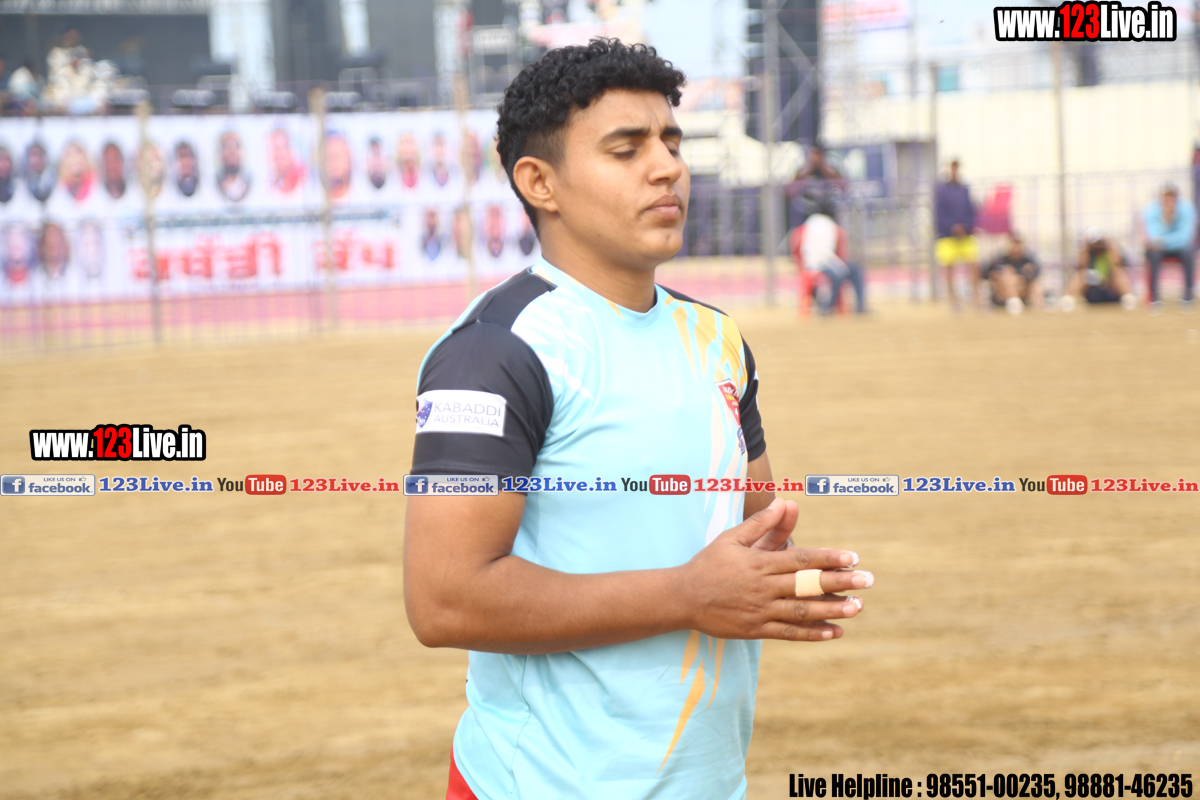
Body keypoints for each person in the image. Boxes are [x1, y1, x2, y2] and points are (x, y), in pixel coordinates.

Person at [405, 38, 872, 800]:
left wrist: (782, 574)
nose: (667, 168)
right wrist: (688, 594)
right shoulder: (496, 351)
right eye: (627, 150)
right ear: (539, 182)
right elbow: (444, 599)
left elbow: (746, 527)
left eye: (672, 143)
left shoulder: (717, 338)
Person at [798, 201, 866, 314]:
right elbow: (829, 252)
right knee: (845, 273)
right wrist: (839, 264)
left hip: (808, 263)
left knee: (840, 273)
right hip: (822, 262)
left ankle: (827, 306)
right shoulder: (830, 225)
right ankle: (831, 306)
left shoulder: (809, 223)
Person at [934, 159, 979, 310]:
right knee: (949, 268)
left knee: (973, 265)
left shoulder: (964, 189)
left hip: (966, 235)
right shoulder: (941, 191)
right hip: (947, 236)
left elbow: (971, 210)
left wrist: (965, 226)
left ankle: (976, 298)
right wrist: (952, 227)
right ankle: (953, 300)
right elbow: (939, 213)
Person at [1143, 183, 1195, 311]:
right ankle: (1154, 297)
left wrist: (1164, 242)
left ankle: (1188, 295)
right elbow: (1153, 237)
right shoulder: (1151, 209)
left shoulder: (1187, 208)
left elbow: (1185, 238)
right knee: (1152, 254)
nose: (1168, 200)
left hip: (1177, 248)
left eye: (1171, 196)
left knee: (1188, 252)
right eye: (1165, 196)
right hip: (1159, 249)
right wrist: (1166, 218)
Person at [1061, 228, 1136, 312]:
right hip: (1093, 291)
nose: (1097, 246)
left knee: (1117, 273)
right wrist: (1084, 248)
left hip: (1110, 289)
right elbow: (1082, 265)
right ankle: (1068, 300)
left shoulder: (1109, 253)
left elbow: (1116, 263)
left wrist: (1110, 246)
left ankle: (1128, 298)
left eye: (1099, 243)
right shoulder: (1088, 254)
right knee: (1081, 274)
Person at [981, 232, 1044, 313]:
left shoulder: (1028, 261)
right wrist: (998, 275)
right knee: (1009, 278)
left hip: (1023, 292)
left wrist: (1021, 277)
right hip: (1002, 294)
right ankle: (1015, 304)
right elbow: (985, 274)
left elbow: (1036, 275)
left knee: (1035, 285)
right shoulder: (999, 261)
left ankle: (1039, 306)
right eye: (1013, 243)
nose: (1016, 247)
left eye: (1018, 243)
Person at [785, 143, 845, 226]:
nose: (815, 157)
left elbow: (843, 187)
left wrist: (823, 169)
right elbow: (790, 193)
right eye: (813, 154)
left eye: (818, 154)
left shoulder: (830, 169)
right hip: (807, 211)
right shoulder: (802, 171)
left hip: (826, 209)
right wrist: (808, 171)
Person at [268, 128, 304, 195]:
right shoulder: (270, 182)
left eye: (282, 148)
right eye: (275, 148)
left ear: (290, 151)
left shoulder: (300, 180)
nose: (279, 154)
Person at [216, 132, 250, 202]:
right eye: (227, 147)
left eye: (235, 147)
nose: (232, 152)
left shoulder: (247, 183)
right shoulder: (218, 183)